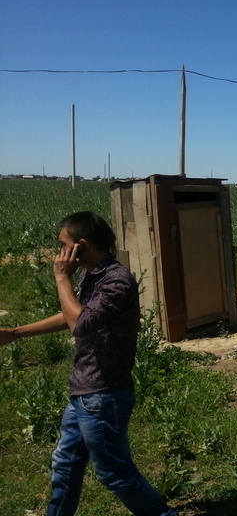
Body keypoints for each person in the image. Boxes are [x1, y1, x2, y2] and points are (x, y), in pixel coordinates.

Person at [0, 211, 178, 516]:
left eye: (64, 245)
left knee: (114, 473)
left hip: (104, 393)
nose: (60, 253)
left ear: (81, 245)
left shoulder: (117, 280)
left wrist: (60, 278)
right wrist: (15, 334)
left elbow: (80, 324)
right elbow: (76, 316)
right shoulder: (91, 274)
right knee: (66, 464)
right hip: (85, 390)